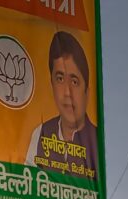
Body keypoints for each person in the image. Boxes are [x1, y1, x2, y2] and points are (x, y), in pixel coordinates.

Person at [25, 31, 99, 180]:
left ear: (87, 92)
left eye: (74, 81)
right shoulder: (40, 133)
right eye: (59, 79)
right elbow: (28, 186)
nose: (67, 92)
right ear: (51, 84)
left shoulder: (96, 141)